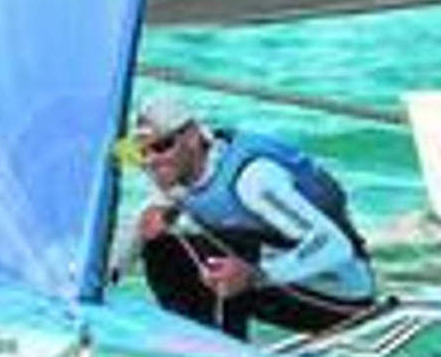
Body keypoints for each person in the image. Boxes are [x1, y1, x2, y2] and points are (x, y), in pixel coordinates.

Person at [122, 95, 377, 341]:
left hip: (344, 298)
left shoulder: (252, 180)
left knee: (221, 247)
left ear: (192, 137)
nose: (151, 161)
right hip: (282, 281)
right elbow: (132, 237)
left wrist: (256, 276)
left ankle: (219, 352)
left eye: (161, 147)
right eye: (138, 153)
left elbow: (334, 244)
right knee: (159, 241)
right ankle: (193, 340)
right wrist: (96, 283)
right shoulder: (179, 175)